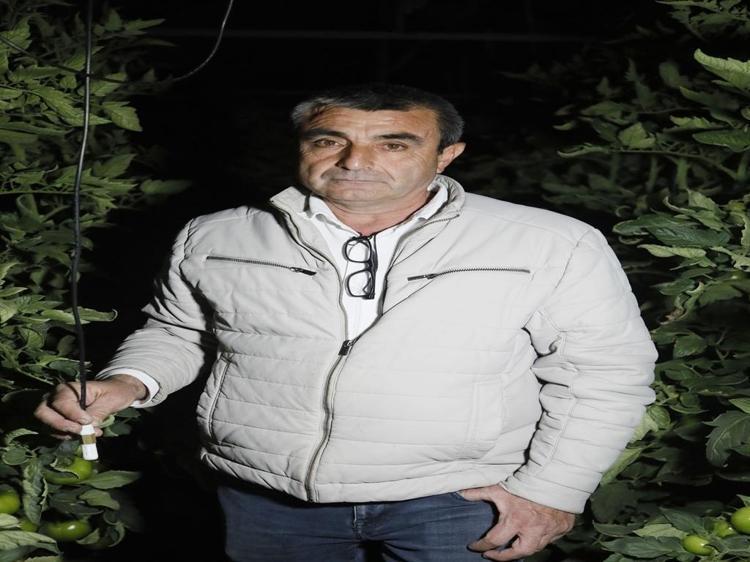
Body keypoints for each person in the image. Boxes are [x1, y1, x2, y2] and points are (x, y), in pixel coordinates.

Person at [35, 83, 658, 562]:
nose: (356, 160)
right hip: (269, 497)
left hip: (458, 497)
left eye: (394, 144)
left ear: (447, 155)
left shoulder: (548, 243)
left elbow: (604, 374)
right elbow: (181, 331)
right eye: (329, 140)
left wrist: (551, 492)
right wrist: (127, 382)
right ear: (303, 147)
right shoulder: (218, 236)